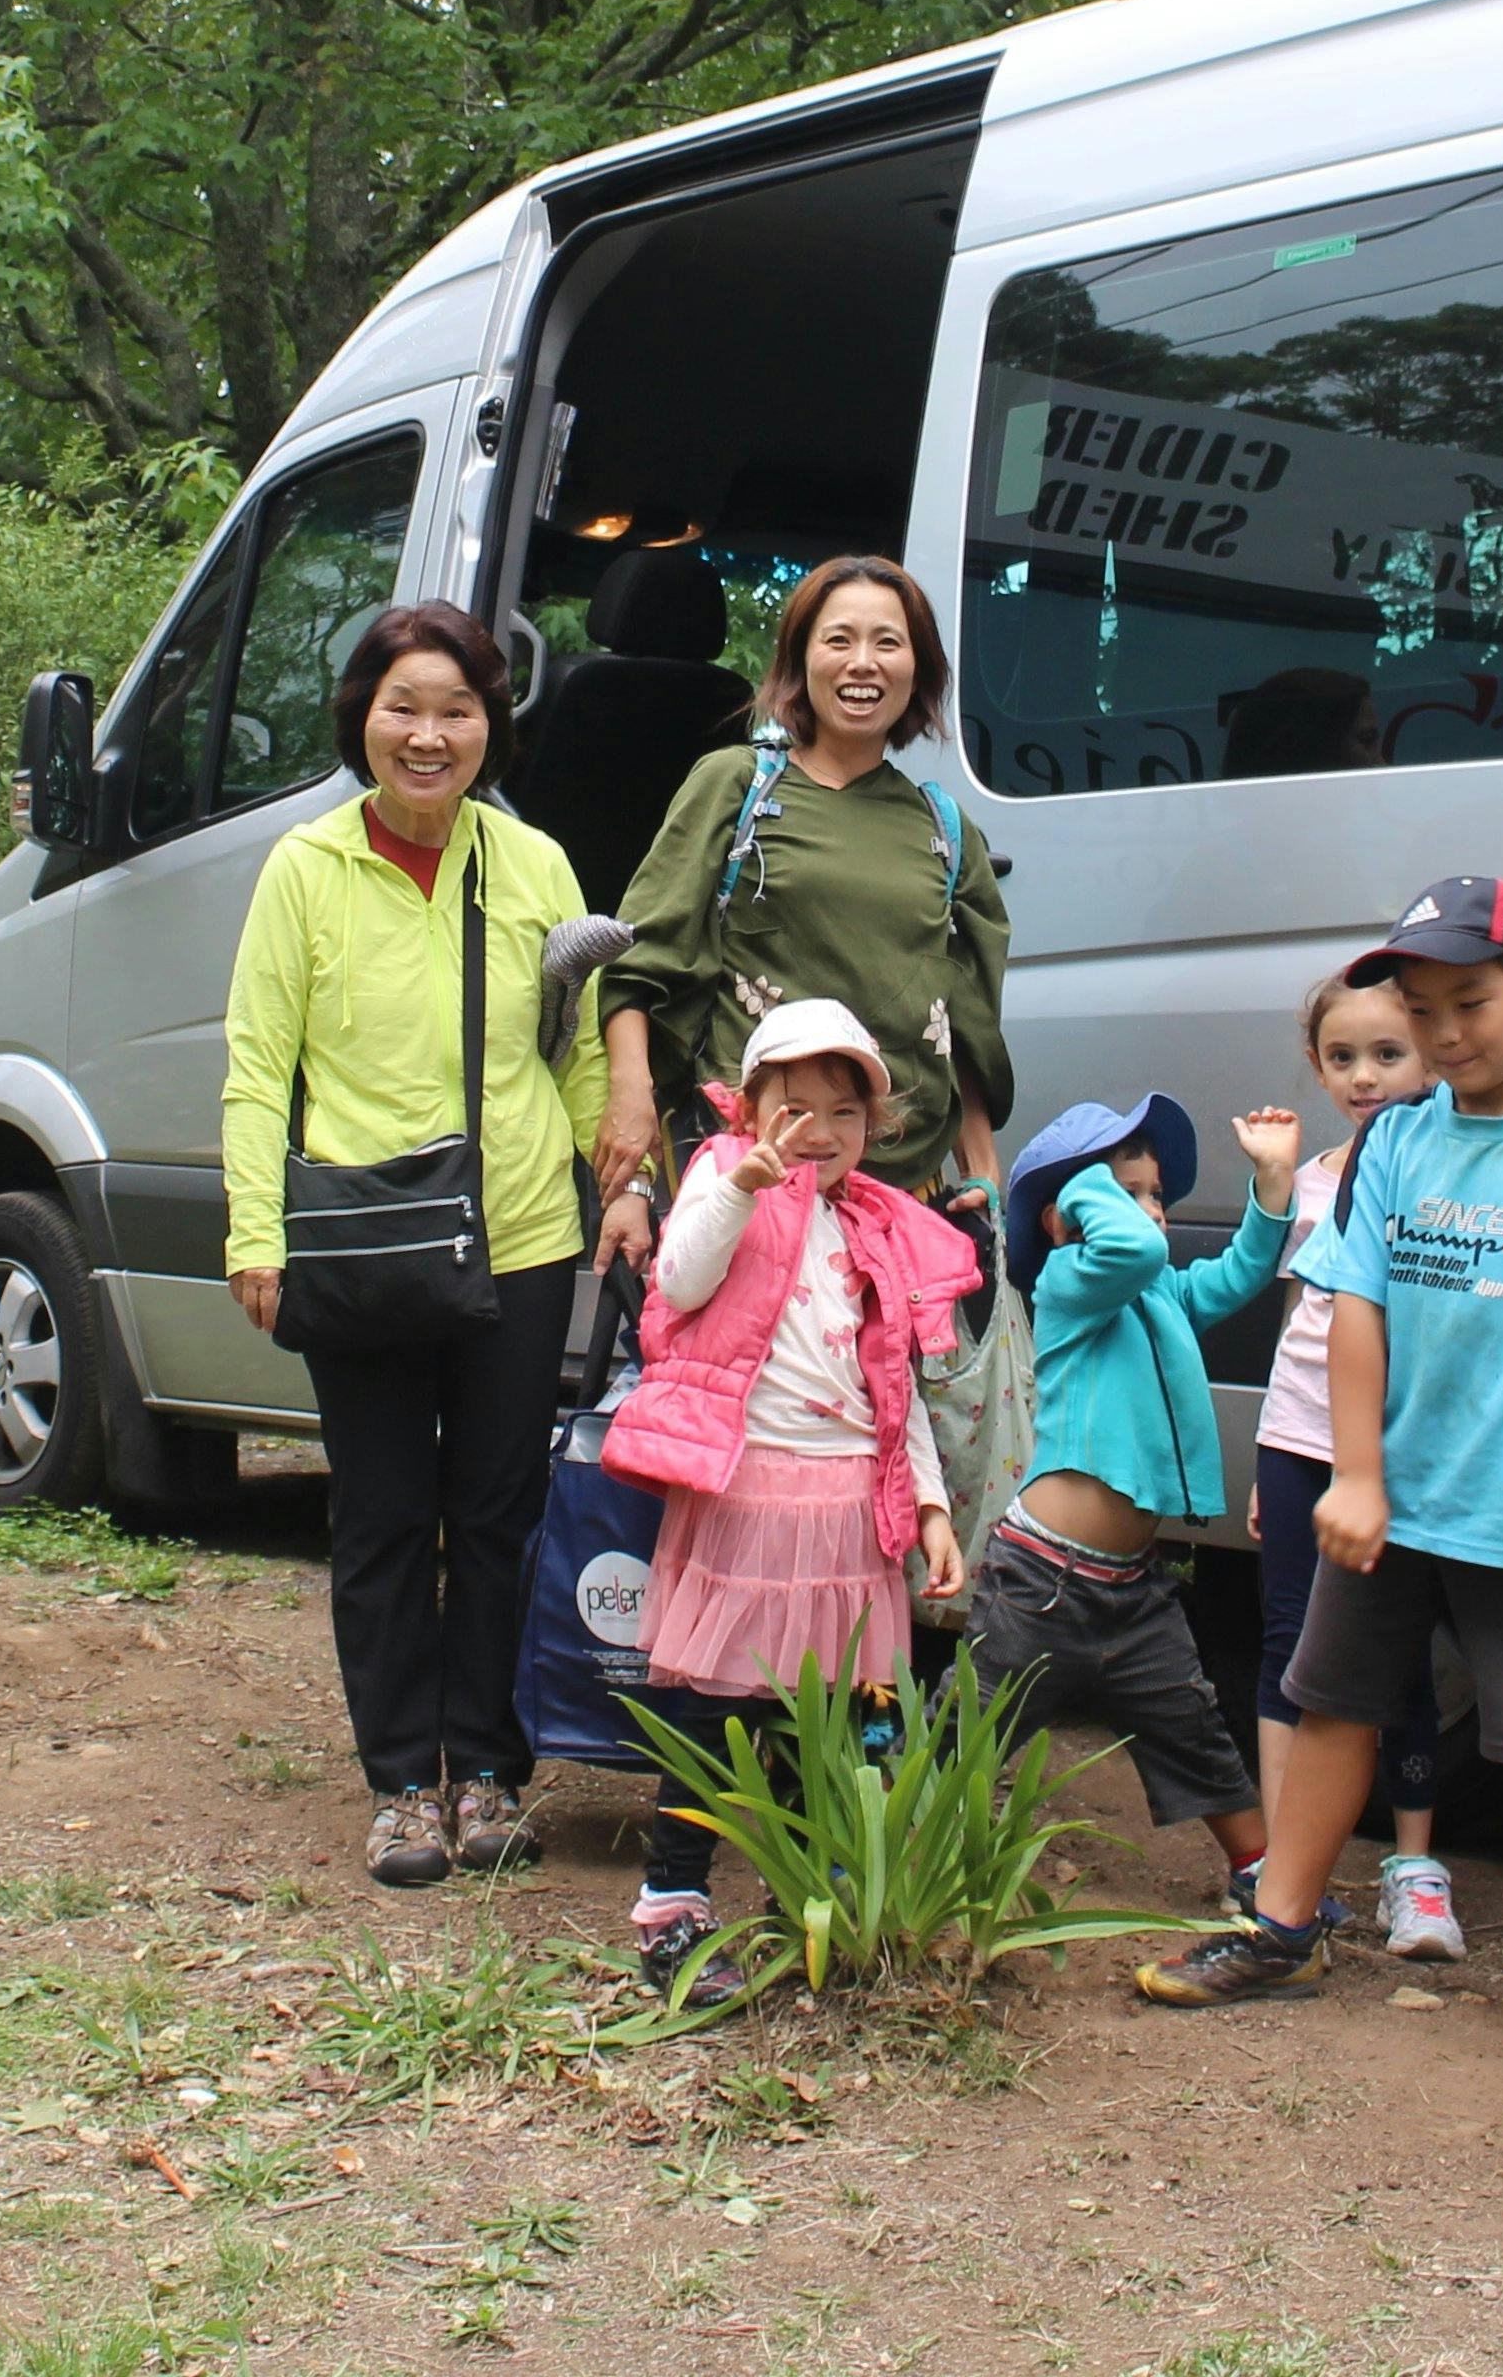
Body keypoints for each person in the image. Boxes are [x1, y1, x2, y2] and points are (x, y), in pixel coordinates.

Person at [1135, 877, 1503, 2094]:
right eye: (1422, 1011)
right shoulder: (1394, 1139)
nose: (1444, 1034)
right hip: (1391, 1501)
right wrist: (1360, 1474)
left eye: (1469, 1004)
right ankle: (1283, 1929)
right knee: (1332, 1704)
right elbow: (1354, 1305)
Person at [219, 602, 611, 1891]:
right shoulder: (305, 868)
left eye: (457, 709)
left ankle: (489, 1772)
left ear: (490, 724)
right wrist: (256, 1233)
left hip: (521, 1230)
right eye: (405, 708)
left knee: (499, 1513)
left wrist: (622, 1185)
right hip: (363, 1235)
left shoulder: (535, 866)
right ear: (363, 720)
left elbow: (579, 1046)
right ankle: (400, 1785)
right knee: (384, 1516)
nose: (429, 735)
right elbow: (258, 1065)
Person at [599, 999, 982, 1997]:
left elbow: (894, 1387)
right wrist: (743, 1186)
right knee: (711, 1710)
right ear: (749, 1106)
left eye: (843, 1112)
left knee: (862, 1715)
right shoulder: (725, 1174)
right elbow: (680, 1282)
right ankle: (674, 1905)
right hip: (750, 1494)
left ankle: (830, 1895)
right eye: (793, 1107)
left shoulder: (873, 1224)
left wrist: (930, 1507)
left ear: (874, 1125)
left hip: (851, 1510)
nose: (817, 1131)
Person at [595, 558, 1012, 1242]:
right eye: (839, 639)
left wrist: (983, 1171)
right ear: (800, 660)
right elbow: (640, 966)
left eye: (888, 642)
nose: (863, 663)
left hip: (902, 1194)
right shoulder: (737, 785)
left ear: (919, 670)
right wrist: (634, 1153)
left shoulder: (945, 826)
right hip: (751, 1183)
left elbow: (965, 1024)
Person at [965, 1092, 1277, 1909]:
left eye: (1157, 1194)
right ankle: (894, 1868)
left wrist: (1271, 1190)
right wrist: (1078, 1194)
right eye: (1126, 1191)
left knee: (1197, 1733)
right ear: (1067, 1218)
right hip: (1042, 1582)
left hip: (1132, 1590)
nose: (1153, 1211)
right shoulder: (1069, 1284)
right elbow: (1132, 1249)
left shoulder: (1158, 1293)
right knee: (969, 1738)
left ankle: (1260, 1878)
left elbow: (1240, 1274)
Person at [1241, 962, 1458, 1958]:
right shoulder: (1312, 1180)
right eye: (1341, 1057)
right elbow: (1296, 1315)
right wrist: (1265, 1456)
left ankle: (1415, 1871)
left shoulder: (1445, 1174)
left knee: (1399, 1652)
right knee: (1289, 1643)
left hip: (1399, 1447)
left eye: (1386, 1053)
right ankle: (1286, 1873)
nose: (1363, 1075)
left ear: (1429, 1057)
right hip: (1298, 1439)